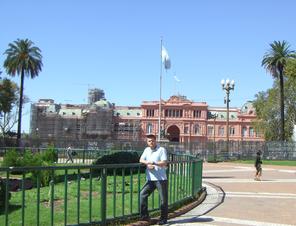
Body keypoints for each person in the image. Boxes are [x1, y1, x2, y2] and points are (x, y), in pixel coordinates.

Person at [139, 134, 168, 225]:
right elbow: (141, 160)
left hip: (161, 179)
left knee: (163, 200)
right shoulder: (146, 150)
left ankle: (163, 219)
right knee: (142, 194)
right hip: (150, 179)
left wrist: (154, 163)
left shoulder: (161, 150)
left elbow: (164, 162)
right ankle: (144, 216)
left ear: (156, 141)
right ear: (147, 142)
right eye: (149, 141)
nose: (151, 142)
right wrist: (147, 163)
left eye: (153, 140)